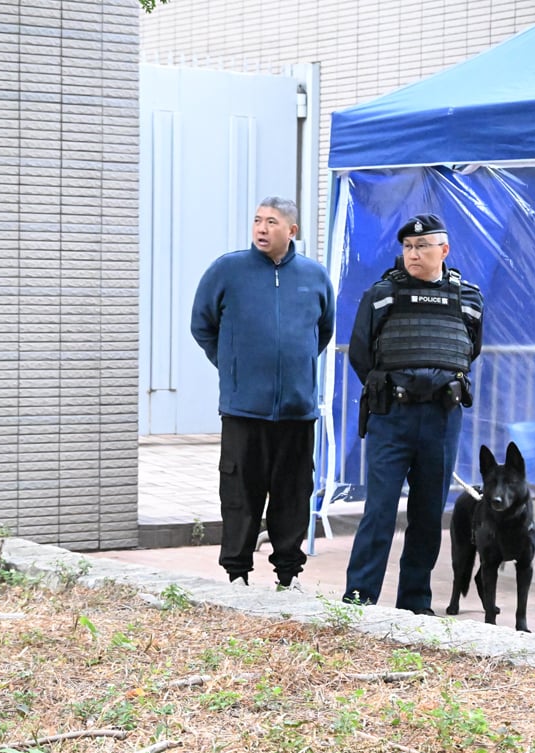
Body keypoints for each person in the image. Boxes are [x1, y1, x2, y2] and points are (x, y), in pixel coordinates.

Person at [190, 197, 335, 590]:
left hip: (297, 410)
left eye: (272, 222)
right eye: (257, 220)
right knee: (241, 492)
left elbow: (323, 331)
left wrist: (296, 367)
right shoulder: (228, 270)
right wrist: (232, 364)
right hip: (244, 408)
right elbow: (202, 324)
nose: (261, 228)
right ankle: (237, 573)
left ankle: (288, 575)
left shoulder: (314, 276)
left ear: (292, 231)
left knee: (293, 494)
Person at [342, 213, 484, 614]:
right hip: (393, 415)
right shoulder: (382, 294)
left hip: (441, 418)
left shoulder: (468, 298)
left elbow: (469, 350)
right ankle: (358, 600)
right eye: (407, 246)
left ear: (444, 250)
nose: (413, 253)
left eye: (422, 246)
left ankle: (415, 603)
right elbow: (360, 353)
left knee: (428, 514)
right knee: (379, 511)